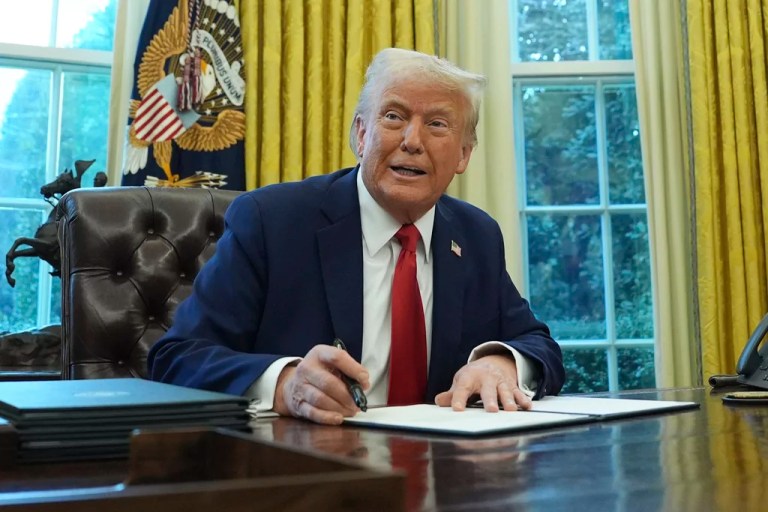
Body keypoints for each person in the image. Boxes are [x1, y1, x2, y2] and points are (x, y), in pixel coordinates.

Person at [148, 47, 565, 425]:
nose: (412, 141)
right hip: (307, 473)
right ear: (362, 135)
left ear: (463, 154)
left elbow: (537, 344)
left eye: (437, 124)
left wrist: (501, 363)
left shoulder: (476, 235)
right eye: (394, 117)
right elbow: (177, 358)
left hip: (443, 475)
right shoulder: (272, 221)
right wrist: (284, 385)